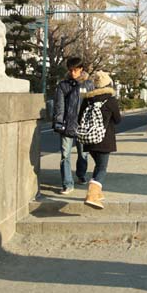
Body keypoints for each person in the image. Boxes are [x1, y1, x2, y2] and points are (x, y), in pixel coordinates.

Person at [79, 70, 122, 209]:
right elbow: (118, 120)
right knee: (102, 168)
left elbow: (80, 118)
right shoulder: (110, 100)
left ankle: (98, 194)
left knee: (98, 165)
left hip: (89, 140)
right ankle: (92, 194)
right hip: (104, 140)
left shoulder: (87, 99)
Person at [52, 57, 94, 195]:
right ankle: (67, 184)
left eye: (75, 70)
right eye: (70, 70)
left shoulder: (88, 84)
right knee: (65, 155)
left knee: (83, 154)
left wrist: (92, 122)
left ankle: (81, 174)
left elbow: (93, 105)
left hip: (83, 125)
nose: (72, 73)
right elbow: (59, 106)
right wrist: (59, 123)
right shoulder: (63, 85)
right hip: (66, 125)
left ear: (81, 69)